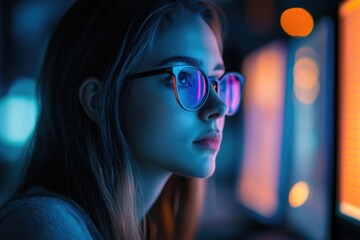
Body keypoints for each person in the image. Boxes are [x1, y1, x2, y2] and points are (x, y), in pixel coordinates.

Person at [0, 0, 244, 239]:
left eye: (215, 81)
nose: (219, 106)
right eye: (185, 79)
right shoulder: (43, 226)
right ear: (99, 100)